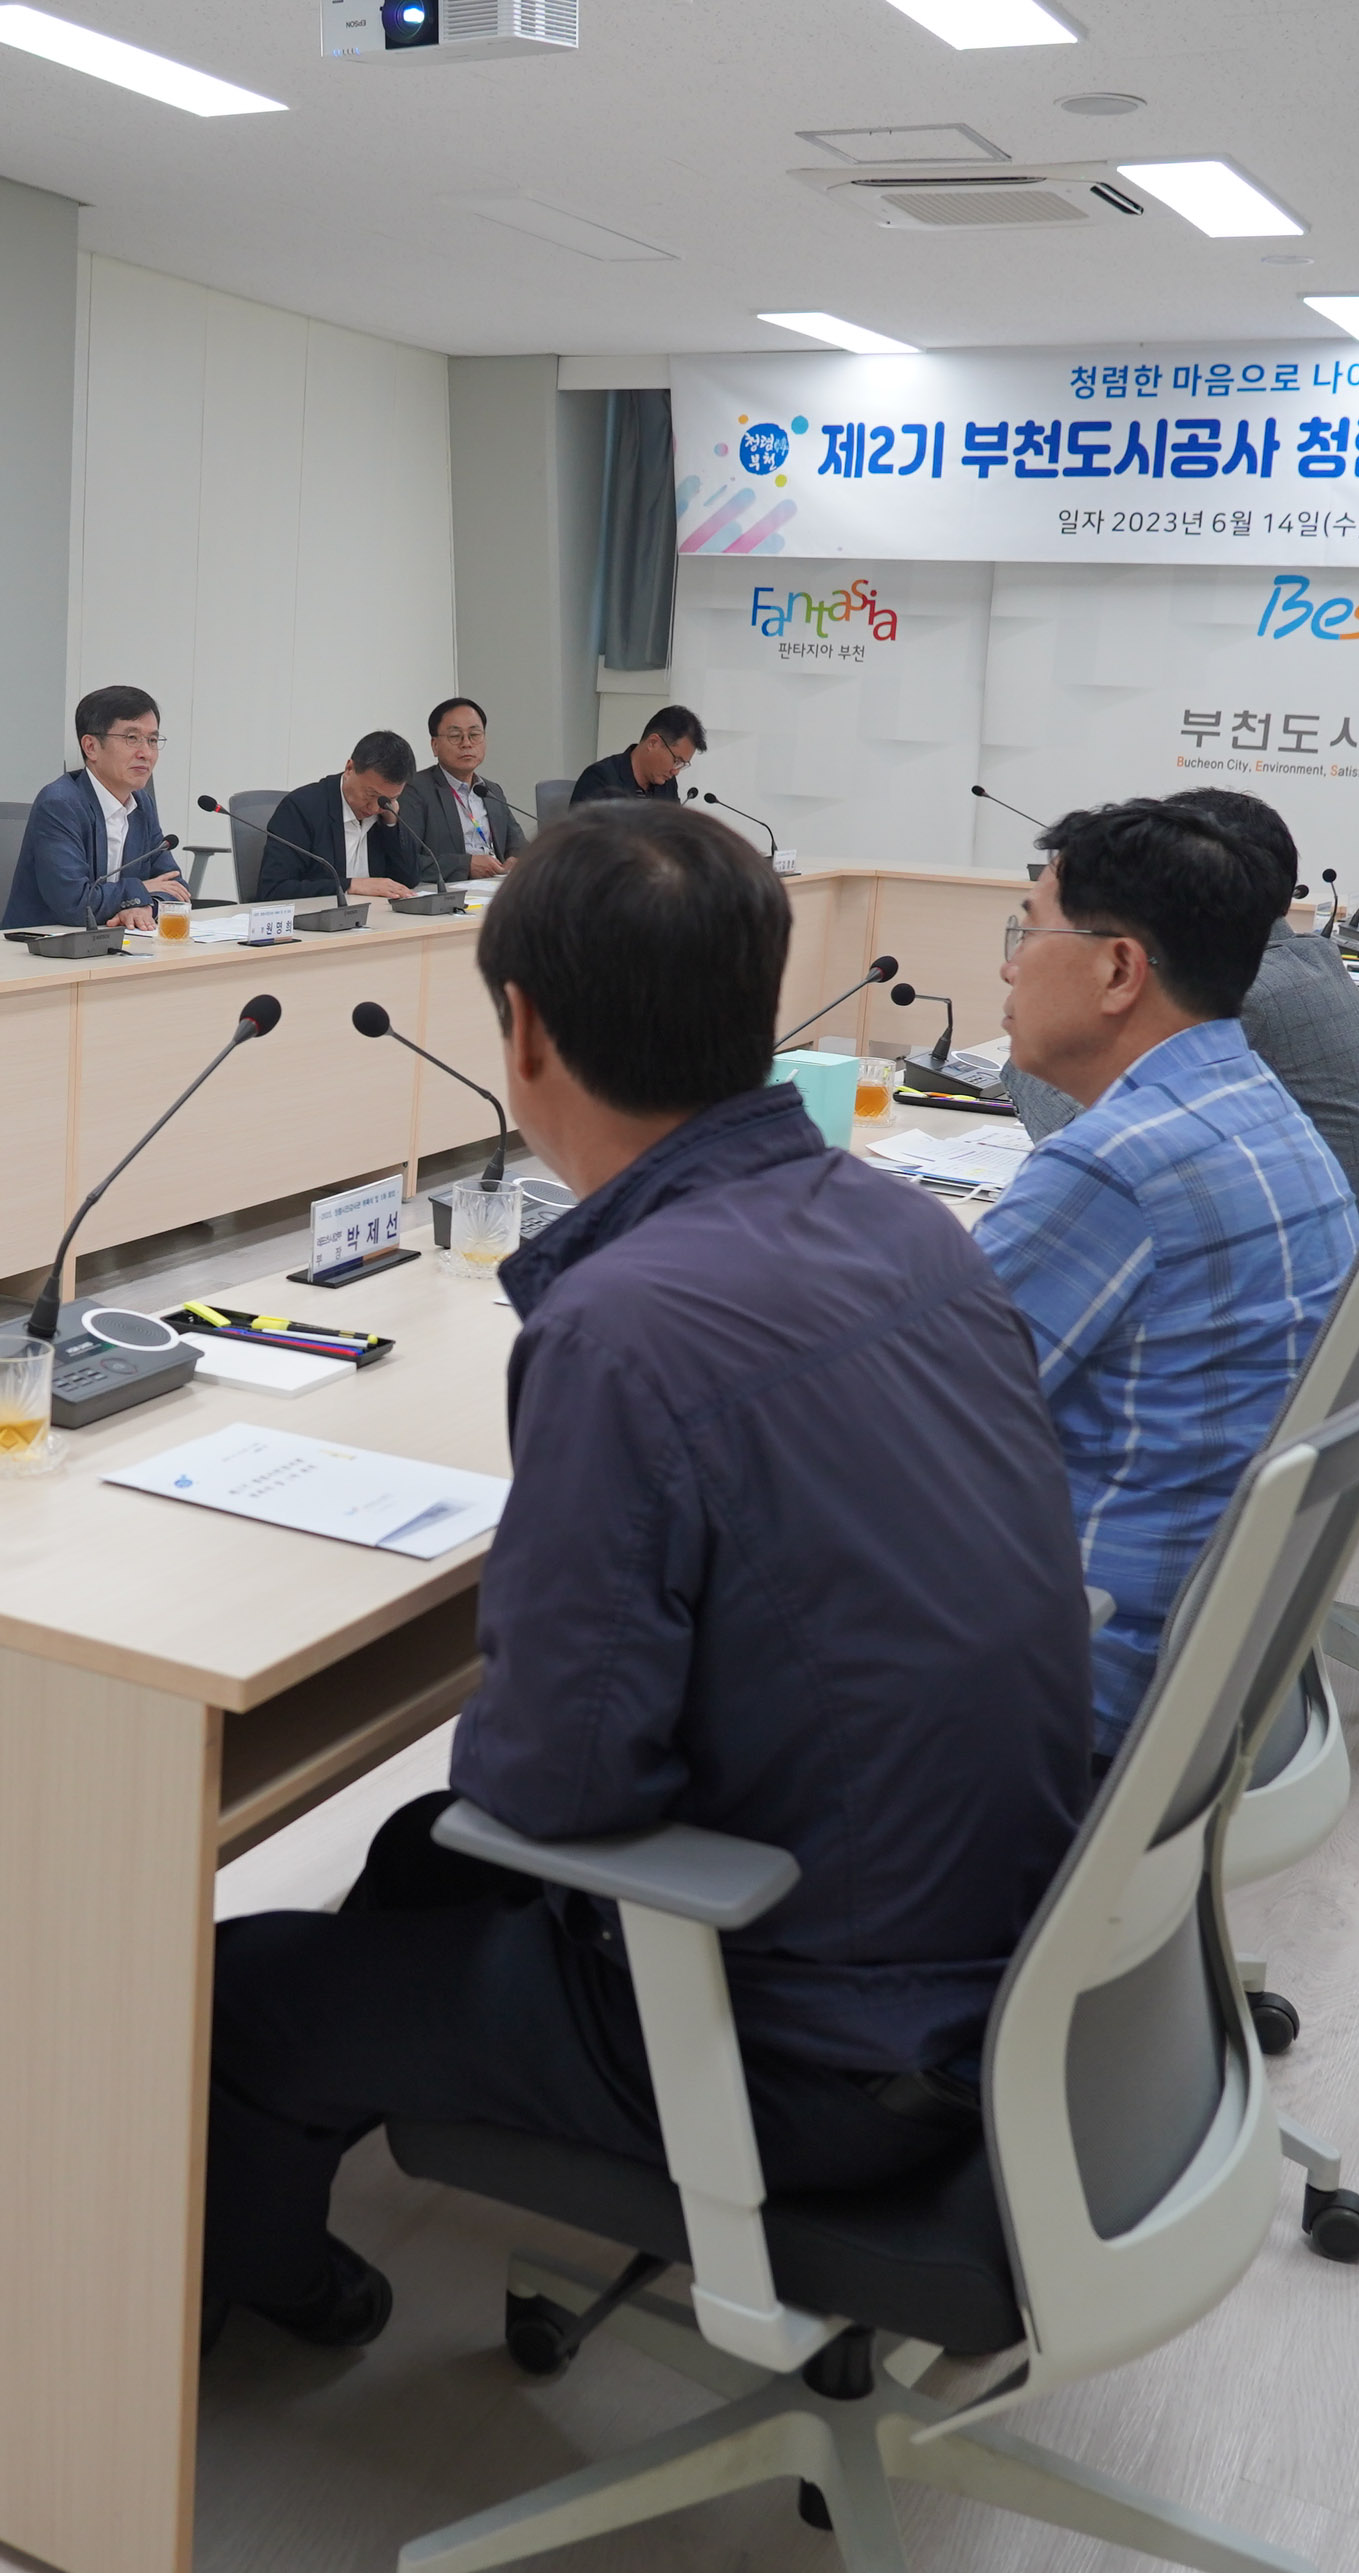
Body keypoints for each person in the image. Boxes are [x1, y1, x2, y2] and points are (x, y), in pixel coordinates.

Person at [204, 802, 1094, 2352]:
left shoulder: (627, 1329)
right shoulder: (914, 1229)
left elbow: (557, 1789)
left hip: (818, 2055)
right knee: (417, 1860)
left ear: (524, 1030)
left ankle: (268, 2306)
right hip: (1000, 1961)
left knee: (243, 1989)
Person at [975, 798, 1359, 1748]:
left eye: (1028, 931)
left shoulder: (1113, 1167)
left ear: (1118, 970)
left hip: (1079, 1679)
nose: (1010, 966)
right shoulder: (1257, 1101)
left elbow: (896, 1427)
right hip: (1210, 1667)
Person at [1003, 785, 1359, 1229]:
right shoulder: (1309, 960)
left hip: (1344, 1254)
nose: (1011, 967)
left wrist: (1035, 1041)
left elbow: (1100, 1150)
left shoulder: (1245, 996)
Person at [9, 684, 185, 931]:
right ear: (91, 747)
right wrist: (140, 891)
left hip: (114, 940)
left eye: (152, 740)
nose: (146, 753)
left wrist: (145, 907)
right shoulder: (59, 804)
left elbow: (176, 887)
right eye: (132, 738)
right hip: (49, 945)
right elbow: (75, 904)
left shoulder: (141, 804)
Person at [251, 731, 418, 903]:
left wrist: (391, 824)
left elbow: (409, 880)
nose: (375, 808)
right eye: (370, 794)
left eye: (389, 799)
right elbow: (273, 890)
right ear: (349, 769)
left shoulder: (385, 812)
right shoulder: (301, 808)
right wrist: (350, 885)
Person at [397, 696, 518, 883]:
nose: (466, 743)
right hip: (451, 890)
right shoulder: (415, 790)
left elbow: (518, 845)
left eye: (474, 735)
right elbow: (405, 862)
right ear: (435, 746)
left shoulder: (491, 791)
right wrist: (465, 866)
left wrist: (516, 860)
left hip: (496, 886)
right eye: (455, 736)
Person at [567, 705, 700, 807]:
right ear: (653, 743)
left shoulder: (667, 784)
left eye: (682, 765)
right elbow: (586, 834)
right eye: (676, 760)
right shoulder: (600, 778)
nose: (675, 771)